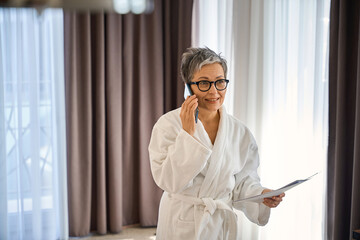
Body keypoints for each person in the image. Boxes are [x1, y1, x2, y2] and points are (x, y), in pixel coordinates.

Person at [148, 47, 285, 240]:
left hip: (220, 225)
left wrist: (261, 194)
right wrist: (187, 135)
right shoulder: (168, 125)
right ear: (188, 86)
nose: (214, 91)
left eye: (220, 82)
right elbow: (169, 181)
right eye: (204, 83)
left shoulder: (239, 132)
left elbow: (242, 182)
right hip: (181, 224)